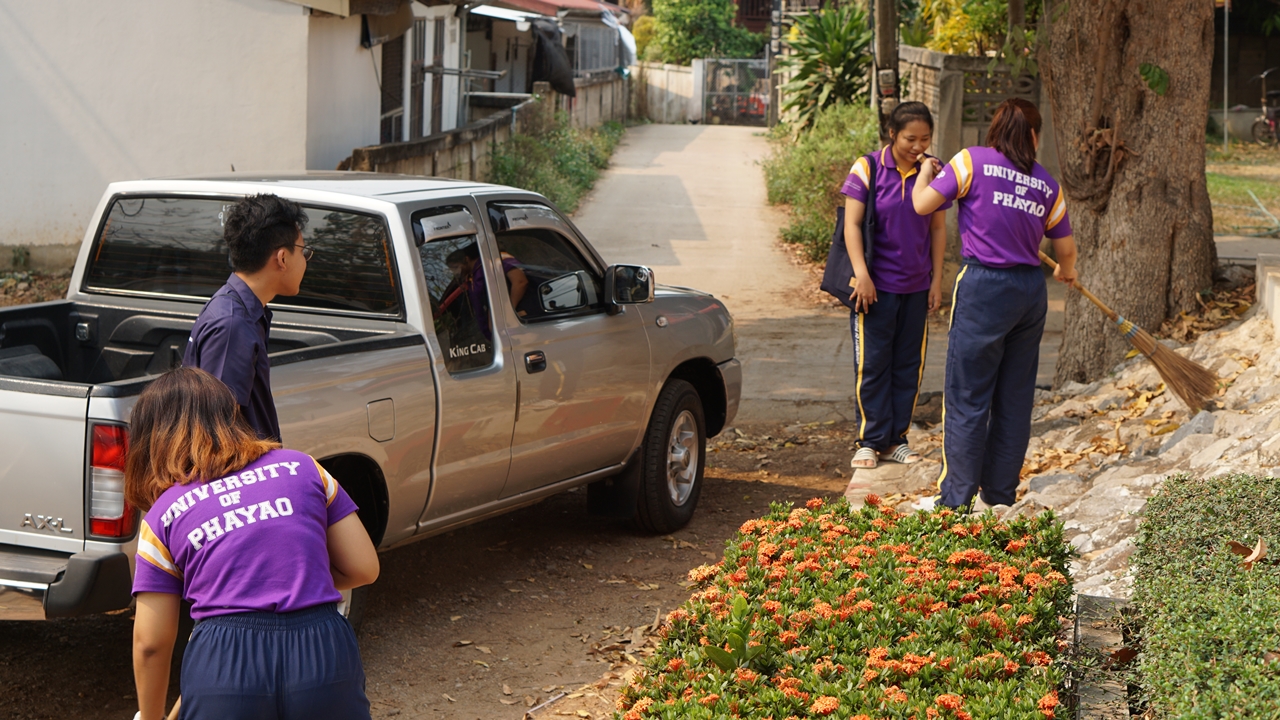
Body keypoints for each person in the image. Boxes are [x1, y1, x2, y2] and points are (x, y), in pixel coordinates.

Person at [127, 367, 379, 720]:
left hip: (222, 662)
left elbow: (151, 644)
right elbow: (364, 567)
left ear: (151, 440)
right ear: (231, 416)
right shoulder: (304, 468)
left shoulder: (163, 515)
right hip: (322, 650)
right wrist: (294, 580)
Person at [911, 97, 1078, 510]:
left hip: (984, 287)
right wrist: (1066, 271)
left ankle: (955, 501)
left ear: (997, 130)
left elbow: (921, 205)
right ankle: (999, 497)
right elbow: (1067, 249)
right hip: (1029, 292)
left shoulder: (971, 162)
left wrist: (923, 174)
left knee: (968, 394)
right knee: (1014, 396)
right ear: (1034, 137)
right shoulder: (1047, 184)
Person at [843, 102, 950, 469]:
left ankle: (895, 440)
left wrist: (936, 280)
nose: (918, 146)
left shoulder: (935, 173)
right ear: (892, 134)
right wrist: (863, 274)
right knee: (872, 365)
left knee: (908, 365)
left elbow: (937, 228)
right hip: (873, 287)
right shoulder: (868, 168)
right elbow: (852, 225)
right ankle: (869, 441)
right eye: (910, 138)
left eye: (925, 138)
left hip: (916, 287)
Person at [184, 194, 311, 442]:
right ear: (282, 258)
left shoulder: (239, 310)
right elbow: (216, 434)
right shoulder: (232, 324)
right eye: (303, 251)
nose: (305, 260)